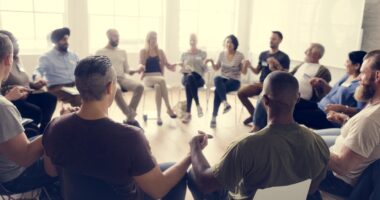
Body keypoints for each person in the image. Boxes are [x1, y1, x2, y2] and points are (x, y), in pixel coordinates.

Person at [43, 55, 190, 200]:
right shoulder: (130, 137)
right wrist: (191, 155)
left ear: (78, 87)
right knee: (177, 171)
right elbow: (158, 190)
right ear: (110, 88)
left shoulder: (55, 126)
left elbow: (51, 171)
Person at [188, 72, 329, 200]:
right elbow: (312, 188)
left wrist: (194, 146)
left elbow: (206, 183)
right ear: (297, 98)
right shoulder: (318, 142)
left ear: (265, 100)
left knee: (194, 173)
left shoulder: (245, 146)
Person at [309, 50, 380, 199]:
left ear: (377, 75)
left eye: (362, 73)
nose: (359, 78)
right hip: (342, 161)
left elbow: (342, 167)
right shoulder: (374, 108)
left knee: (289, 157)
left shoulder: (370, 119)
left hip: (338, 181)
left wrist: (308, 144)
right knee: (306, 138)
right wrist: (347, 121)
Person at [0, 33, 58, 197]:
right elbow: (24, 157)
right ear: (8, 59)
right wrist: (57, 124)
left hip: (6, 162)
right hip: (14, 179)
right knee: (65, 155)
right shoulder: (3, 107)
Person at [251, 43, 332, 132]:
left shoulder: (323, 71)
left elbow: (322, 93)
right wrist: (277, 67)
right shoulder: (302, 65)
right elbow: (287, 77)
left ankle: (259, 129)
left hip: (303, 100)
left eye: (309, 50)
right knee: (265, 95)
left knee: (268, 99)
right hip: (288, 93)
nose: (305, 52)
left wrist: (318, 85)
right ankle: (259, 128)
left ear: (317, 55)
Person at [293, 51, 367, 129]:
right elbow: (334, 93)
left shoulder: (361, 85)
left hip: (330, 116)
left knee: (294, 113)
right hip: (319, 105)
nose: (345, 64)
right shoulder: (347, 75)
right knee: (292, 101)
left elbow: (361, 111)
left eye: (347, 61)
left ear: (356, 65)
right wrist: (323, 84)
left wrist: (342, 108)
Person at [0, 30, 57, 132]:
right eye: (15, 42)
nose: (18, 44)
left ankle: (44, 130)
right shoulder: (4, 64)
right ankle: (37, 133)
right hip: (14, 97)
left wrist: (34, 85)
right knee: (35, 111)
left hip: (25, 93)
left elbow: (24, 79)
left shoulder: (17, 59)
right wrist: (11, 93)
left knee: (50, 98)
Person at [238, 31, 290, 125]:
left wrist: (276, 66)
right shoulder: (263, 54)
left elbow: (285, 76)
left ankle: (258, 122)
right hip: (261, 83)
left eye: (274, 39)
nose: (271, 41)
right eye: (270, 38)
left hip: (273, 86)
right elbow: (257, 71)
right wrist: (249, 66)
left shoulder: (284, 57)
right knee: (241, 93)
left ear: (280, 41)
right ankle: (253, 114)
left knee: (262, 98)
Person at [96, 29, 144, 127]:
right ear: (108, 37)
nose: (117, 38)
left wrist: (136, 70)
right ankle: (130, 117)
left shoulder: (122, 51)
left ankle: (129, 118)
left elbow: (127, 70)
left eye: (118, 36)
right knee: (116, 89)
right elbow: (98, 70)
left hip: (122, 78)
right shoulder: (100, 52)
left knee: (139, 86)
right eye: (115, 36)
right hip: (110, 79)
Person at [205, 34, 247, 128]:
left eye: (231, 42)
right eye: (227, 42)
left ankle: (214, 117)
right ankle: (225, 103)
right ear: (225, 43)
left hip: (235, 81)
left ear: (235, 44)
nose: (229, 44)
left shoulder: (240, 55)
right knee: (216, 78)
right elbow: (216, 68)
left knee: (217, 91)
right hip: (223, 79)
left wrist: (245, 65)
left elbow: (243, 72)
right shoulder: (221, 54)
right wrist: (211, 62)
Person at [34, 27, 81, 107]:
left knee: (93, 94)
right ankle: (77, 118)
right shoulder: (46, 57)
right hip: (57, 87)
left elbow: (81, 69)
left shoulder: (73, 55)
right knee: (78, 97)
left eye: (67, 39)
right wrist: (38, 78)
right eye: (63, 40)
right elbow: (38, 71)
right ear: (55, 41)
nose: (67, 42)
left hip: (74, 85)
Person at [139, 31, 177, 126]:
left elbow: (168, 65)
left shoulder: (160, 52)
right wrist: (141, 67)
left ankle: (159, 116)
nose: (154, 40)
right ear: (148, 39)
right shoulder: (143, 51)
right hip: (148, 77)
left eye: (155, 38)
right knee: (162, 80)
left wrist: (173, 65)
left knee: (158, 87)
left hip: (158, 77)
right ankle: (169, 108)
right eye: (152, 38)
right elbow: (140, 64)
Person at [179, 34, 207, 123]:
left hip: (198, 78)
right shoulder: (184, 54)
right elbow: (182, 68)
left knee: (189, 83)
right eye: (191, 40)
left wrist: (206, 64)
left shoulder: (202, 53)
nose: (192, 41)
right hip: (186, 76)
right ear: (189, 41)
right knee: (189, 78)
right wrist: (182, 67)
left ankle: (188, 113)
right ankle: (198, 105)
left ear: (197, 41)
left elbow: (205, 68)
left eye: (194, 40)